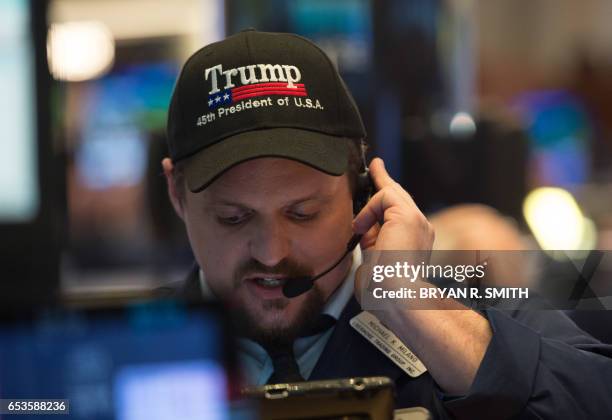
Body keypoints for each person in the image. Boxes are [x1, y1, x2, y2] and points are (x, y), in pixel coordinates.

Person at [158, 29, 612, 419]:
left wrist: (412, 306)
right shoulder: (110, 354)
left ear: (364, 190)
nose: (272, 252)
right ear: (177, 194)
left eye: (303, 213)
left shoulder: (470, 311)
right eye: (233, 218)